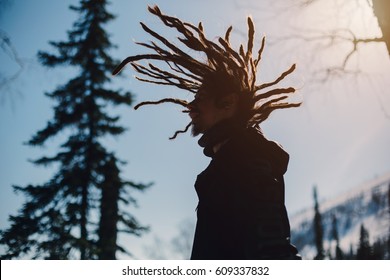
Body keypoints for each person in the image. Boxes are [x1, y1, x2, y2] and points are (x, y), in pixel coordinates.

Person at [113, 5, 301, 259]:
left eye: (199, 98)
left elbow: (272, 250)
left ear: (228, 102)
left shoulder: (251, 162)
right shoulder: (236, 161)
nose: (190, 107)